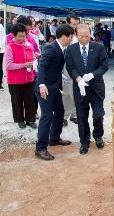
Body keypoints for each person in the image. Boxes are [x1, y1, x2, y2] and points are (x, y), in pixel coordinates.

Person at [66, 23, 109, 155]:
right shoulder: (71, 49)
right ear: (76, 35)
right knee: (82, 116)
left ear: (90, 34)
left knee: (98, 114)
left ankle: (98, 135)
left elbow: (104, 65)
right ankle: (84, 141)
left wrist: (93, 74)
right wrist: (78, 79)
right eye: (81, 36)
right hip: (80, 88)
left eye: (86, 36)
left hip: (96, 87)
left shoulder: (99, 47)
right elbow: (70, 67)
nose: (84, 39)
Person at [35, 24, 74, 160]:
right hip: (45, 88)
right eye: (70, 37)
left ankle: (54, 138)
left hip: (55, 87)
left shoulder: (61, 48)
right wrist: (41, 85)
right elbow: (42, 67)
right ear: (64, 36)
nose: (71, 39)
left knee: (59, 112)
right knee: (46, 116)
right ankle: (40, 148)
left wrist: (60, 77)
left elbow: (55, 67)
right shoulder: (51, 47)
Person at [5, 23, 37, 129]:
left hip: (28, 78)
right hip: (15, 80)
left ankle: (30, 119)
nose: (23, 38)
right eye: (20, 36)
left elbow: (33, 58)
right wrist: (23, 65)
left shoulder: (29, 45)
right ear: (14, 35)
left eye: (24, 36)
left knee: (30, 100)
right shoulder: (10, 47)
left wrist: (35, 61)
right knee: (17, 101)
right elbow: (9, 65)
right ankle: (19, 119)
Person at [62, 14, 80, 126]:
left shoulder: (80, 33)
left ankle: (75, 114)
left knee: (77, 91)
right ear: (68, 23)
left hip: (79, 66)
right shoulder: (64, 34)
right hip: (67, 65)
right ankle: (64, 115)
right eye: (73, 24)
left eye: (77, 24)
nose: (75, 26)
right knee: (67, 92)